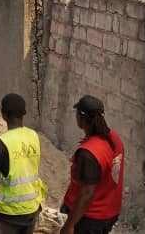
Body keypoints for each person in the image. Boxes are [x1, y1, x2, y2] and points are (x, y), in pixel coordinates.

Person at [0, 93, 47, 234]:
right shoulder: (34, 136)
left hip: (9, 214)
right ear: (24, 112)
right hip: (32, 208)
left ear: (4, 114)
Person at [60, 95, 124, 234]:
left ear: (81, 118)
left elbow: (87, 193)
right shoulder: (114, 138)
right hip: (110, 210)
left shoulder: (89, 153)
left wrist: (70, 225)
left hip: (89, 219)